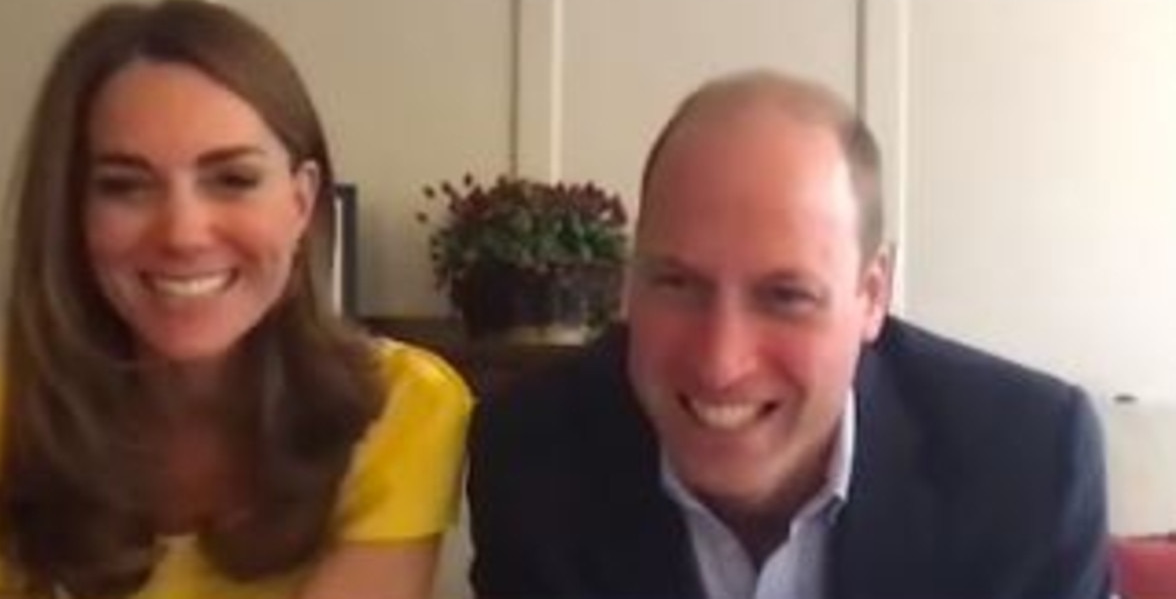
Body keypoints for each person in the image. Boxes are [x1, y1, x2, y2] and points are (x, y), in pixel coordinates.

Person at [0, 0, 472, 599]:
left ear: (301, 203)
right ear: (71, 211)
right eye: (125, 186)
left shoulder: (404, 405)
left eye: (232, 179)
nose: (181, 233)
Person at [467, 70, 1111, 599]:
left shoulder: (1026, 465)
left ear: (871, 294)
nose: (720, 363)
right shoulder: (535, 457)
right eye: (678, 285)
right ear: (632, 277)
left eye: (786, 297)